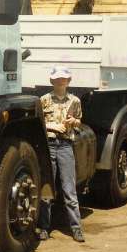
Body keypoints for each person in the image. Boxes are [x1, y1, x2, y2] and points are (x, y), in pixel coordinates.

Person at [37, 65, 85, 242]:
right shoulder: (43, 100)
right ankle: (44, 227)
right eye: (57, 78)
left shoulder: (75, 101)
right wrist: (52, 126)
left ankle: (76, 228)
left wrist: (74, 121)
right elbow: (38, 123)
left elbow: (79, 121)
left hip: (65, 146)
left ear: (68, 81)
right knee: (47, 188)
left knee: (69, 189)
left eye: (63, 78)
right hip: (49, 146)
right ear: (52, 81)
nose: (60, 81)